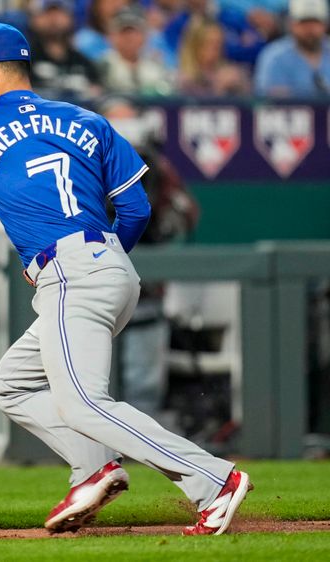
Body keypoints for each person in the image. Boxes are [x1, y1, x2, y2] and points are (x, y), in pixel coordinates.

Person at [0, 22, 252, 536]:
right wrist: (104, 256)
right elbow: (135, 207)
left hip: (71, 274)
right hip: (111, 266)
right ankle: (94, 468)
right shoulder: (88, 119)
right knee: (11, 385)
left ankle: (213, 481)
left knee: (85, 401)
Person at [99, 97, 200, 422]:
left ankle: (146, 450)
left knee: (143, 386)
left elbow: (184, 214)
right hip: (96, 285)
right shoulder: (86, 163)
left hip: (147, 286)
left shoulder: (157, 167)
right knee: (94, 383)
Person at [27, 0, 102, 100]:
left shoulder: (84, 63)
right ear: (34, 19)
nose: (53, 19)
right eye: (47, 13)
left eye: (59, 13)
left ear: (71, 18)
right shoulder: (25, 61)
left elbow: (98, 95)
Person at [254, 0, 330, 97]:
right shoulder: (275, 56)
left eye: (315, 22)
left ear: (325, 24)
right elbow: (267, 98)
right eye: (303, 22)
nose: (309, 29)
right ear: (291, 24)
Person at [99, 7, 174, 96]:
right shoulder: (103, 65)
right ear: (111, 36)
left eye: (135, 32)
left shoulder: (156, 64)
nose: (130, 38)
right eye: (123, 32)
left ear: (145, 36)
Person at [177, 17, 250, 96]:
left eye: (218, 43)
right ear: (195, 45)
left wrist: (236, 86)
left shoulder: (231, 75)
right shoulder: (182, 80)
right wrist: (217, 88)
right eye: (209, 43)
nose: (215, 49)